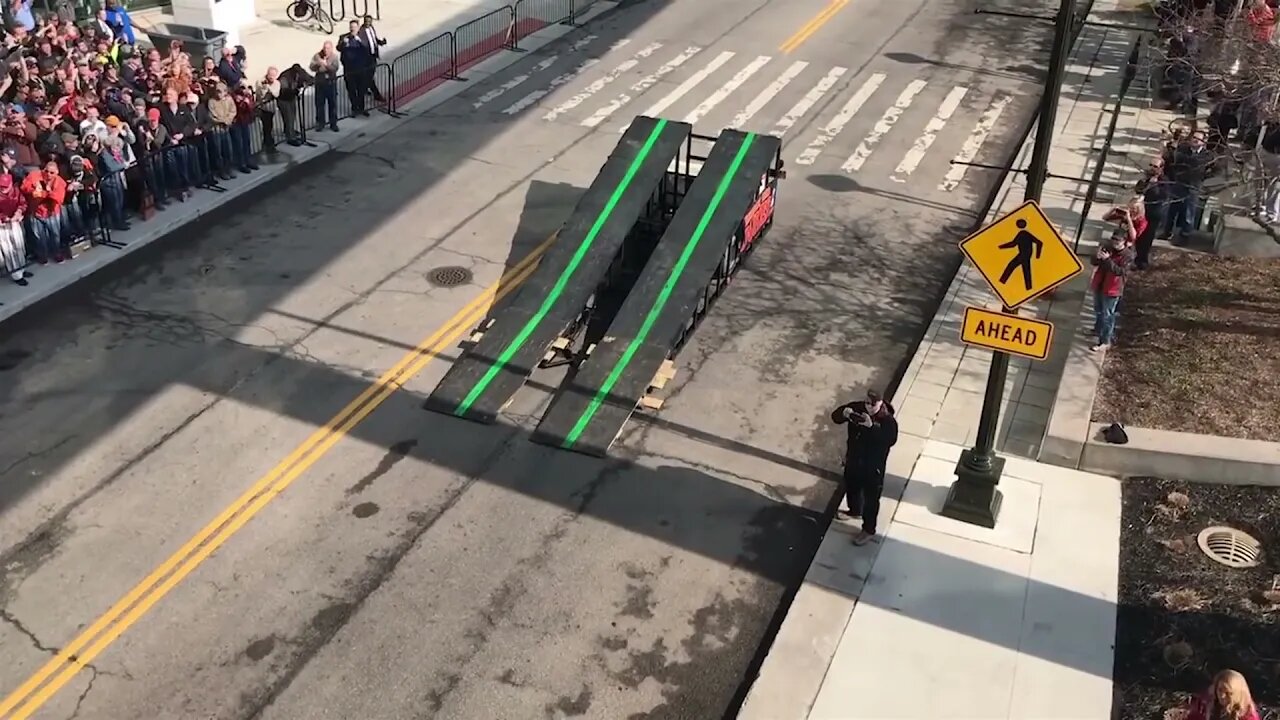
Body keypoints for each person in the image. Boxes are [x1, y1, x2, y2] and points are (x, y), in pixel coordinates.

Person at [830, 390, 898, 546]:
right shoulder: (857, 408)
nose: (869, 407)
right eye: (867, 402)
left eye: (873, 404)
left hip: (873, 467)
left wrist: (872, 427)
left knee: (871, 500)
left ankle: (868, 530)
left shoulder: (888, 422)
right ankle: (854, 511)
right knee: (852, 487)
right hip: (854, 459)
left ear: (881, 404)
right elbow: (835, 417)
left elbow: (890, 440)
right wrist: (844, 414)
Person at [1089, 224, 1136, 352]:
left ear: (1124, 241)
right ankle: (1097, 330)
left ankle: (1105, 341)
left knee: (1108, 315)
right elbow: (1094, 262)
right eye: (1113, 239)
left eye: (1118, 240)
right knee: (1098, 309)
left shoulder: (1127, 255)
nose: (1115, 242)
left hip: (1112, 289)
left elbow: (1120, 271)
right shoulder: (1107, 248)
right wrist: (1097, 257)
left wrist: (1108, 260)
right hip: (1100, 284)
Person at [20, 157, 67, 264]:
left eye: (52, 172)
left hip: (51, 212)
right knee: (39, 236)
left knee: (55, 235)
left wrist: (44, 193)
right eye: (46, 171)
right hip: (36, 212)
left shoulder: (60, 182)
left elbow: (58, 199)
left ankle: (57, 253)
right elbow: (23, 187)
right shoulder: (34, 175)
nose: (48, 174)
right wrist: (32, 190)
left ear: (57, 172)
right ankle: (43, 256)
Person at [1182, 669, 1261, 720]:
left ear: (1238, 694)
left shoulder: (1248, 717)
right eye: (1220, 690)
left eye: (1228, 693)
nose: (1222, 696)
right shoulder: (1206, 703)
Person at [337, 20, 371, 117]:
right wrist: (343, 43)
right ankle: (354, 108)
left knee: (361, 89)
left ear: (358, 27)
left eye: (354, 27)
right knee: (351, 90)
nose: (352, 29)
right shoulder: (344, 37)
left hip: (360, 68)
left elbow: (367, 48)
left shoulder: (362, 37)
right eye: (351, 27)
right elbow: (338, 48)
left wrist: (359, 40)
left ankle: (361, 108)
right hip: (349, 69)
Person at [0, 171, 28, 285]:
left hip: (15, 221)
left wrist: (19, 211)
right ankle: (16, 275)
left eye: (5, 186)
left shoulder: (16, 191)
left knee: (19, 245)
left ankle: (22, 268)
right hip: (2, 225)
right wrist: (4, 218)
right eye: (1, 186)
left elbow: (23, 203)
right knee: (8, 249)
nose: (3, 189)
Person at [309, 41, 340, 132]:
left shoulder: (334, 57)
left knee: (332, 104)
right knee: (319, 105)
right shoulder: (317, 56)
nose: (326, 50)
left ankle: (333, 123)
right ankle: (320, 123)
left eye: (328, 48)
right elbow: (311, 67)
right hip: (320, 84)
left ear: (331, 49)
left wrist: (326, 65)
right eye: (324, 48)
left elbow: (335, 68)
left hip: (330, 83)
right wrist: (317, 64)